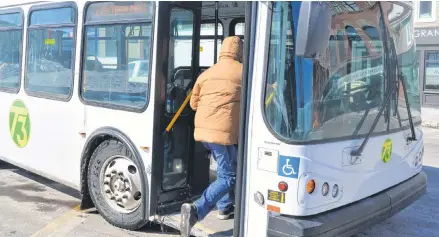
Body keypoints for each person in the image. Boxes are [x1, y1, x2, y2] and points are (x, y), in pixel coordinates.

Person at [180, 36, 243, 236]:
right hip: (223, 134)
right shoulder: (243, 72)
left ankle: (224, 207)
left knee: (226, 168)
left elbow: (193, 104)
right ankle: (196, 210)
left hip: (204, 132)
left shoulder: (206, 73)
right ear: (239, 51)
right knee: (229, 176)